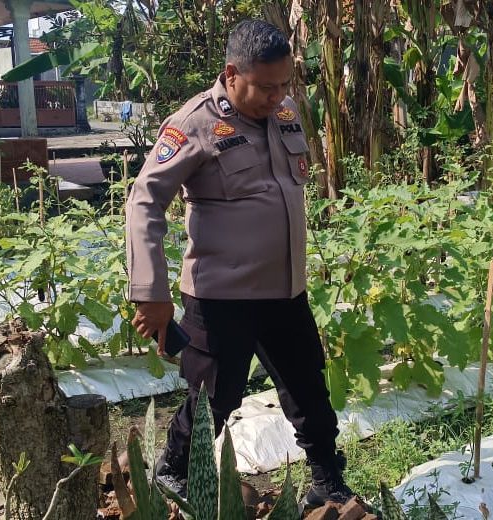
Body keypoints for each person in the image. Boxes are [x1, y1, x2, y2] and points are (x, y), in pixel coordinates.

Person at [124, 19, 354, 507]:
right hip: (221, 296)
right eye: (266, 87)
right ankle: (176, 467)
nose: (277, 96)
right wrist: (151, 291)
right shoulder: (194, 123)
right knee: (215, 397)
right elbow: (145, 200)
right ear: (232, 74)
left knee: (309, 389)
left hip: (286, 290)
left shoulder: (286, 113)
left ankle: (327, 481)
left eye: (284, 84)